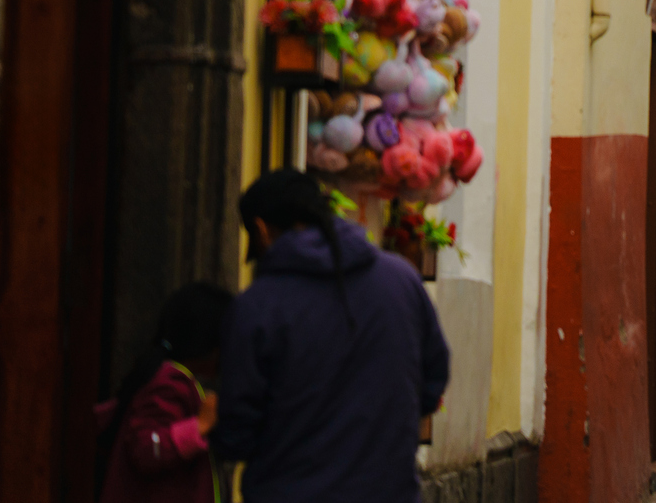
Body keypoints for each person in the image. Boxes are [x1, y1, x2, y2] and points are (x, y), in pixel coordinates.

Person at [211, 169, 450, 502]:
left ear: (262, 229)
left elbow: (238, 432)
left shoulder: (258, 307)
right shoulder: (402, 280)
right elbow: (433, 380)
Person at [95, 281, 234, 503]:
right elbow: (145, 450)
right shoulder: (168, 384)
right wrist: (199, 427)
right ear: (211, 344)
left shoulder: (180, 381)